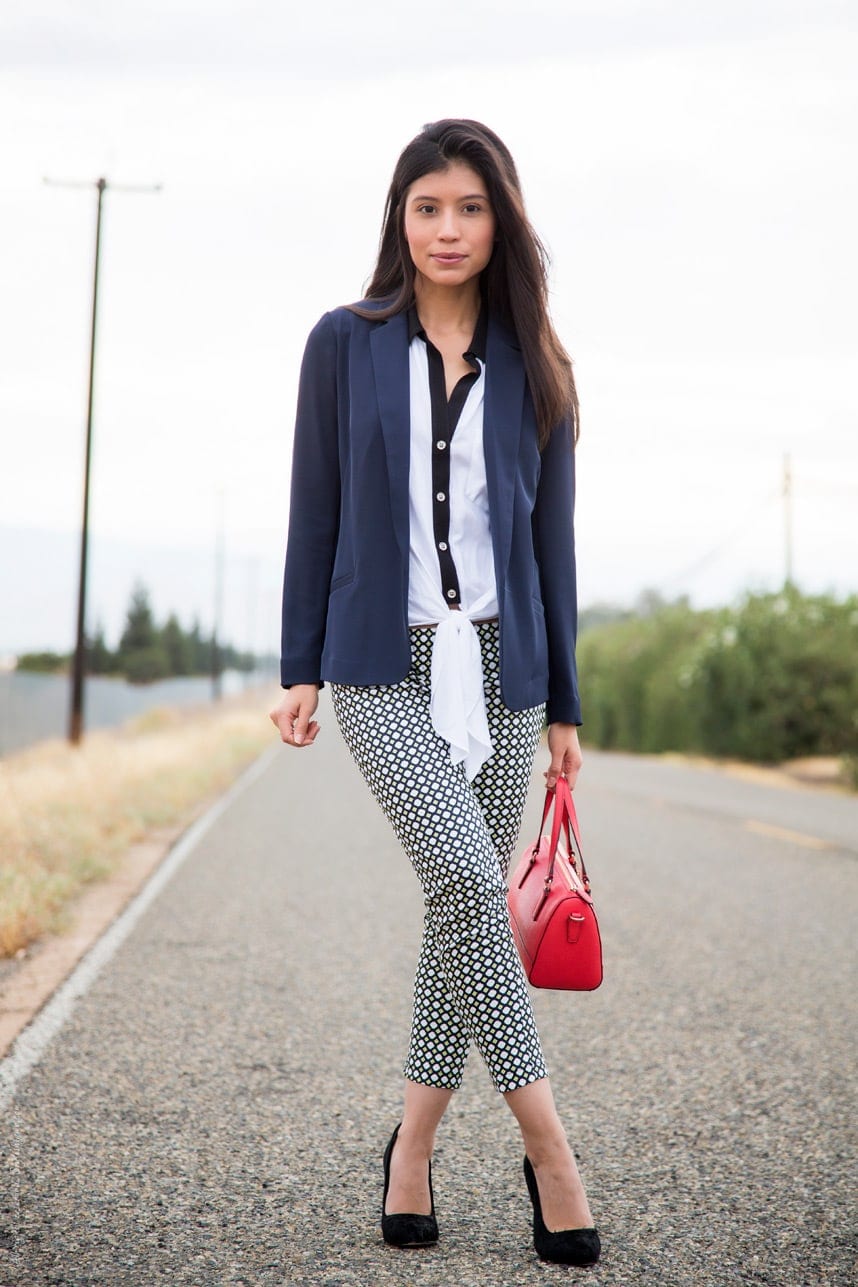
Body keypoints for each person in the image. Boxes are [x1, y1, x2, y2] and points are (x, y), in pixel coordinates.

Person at [269, 118, 600, 1268]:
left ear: (498, 221)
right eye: (427, 208)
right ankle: (553, 1152)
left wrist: (564, 704)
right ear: (398, 220)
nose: (447, 229)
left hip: (506, 672)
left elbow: (549, 545)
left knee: (452, 919)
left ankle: (408, 1153)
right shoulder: (343, 344)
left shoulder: (537, 362)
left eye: (467, 208)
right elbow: (315, 508)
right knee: (467, 877)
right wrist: (297, 666)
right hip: (380, 663)